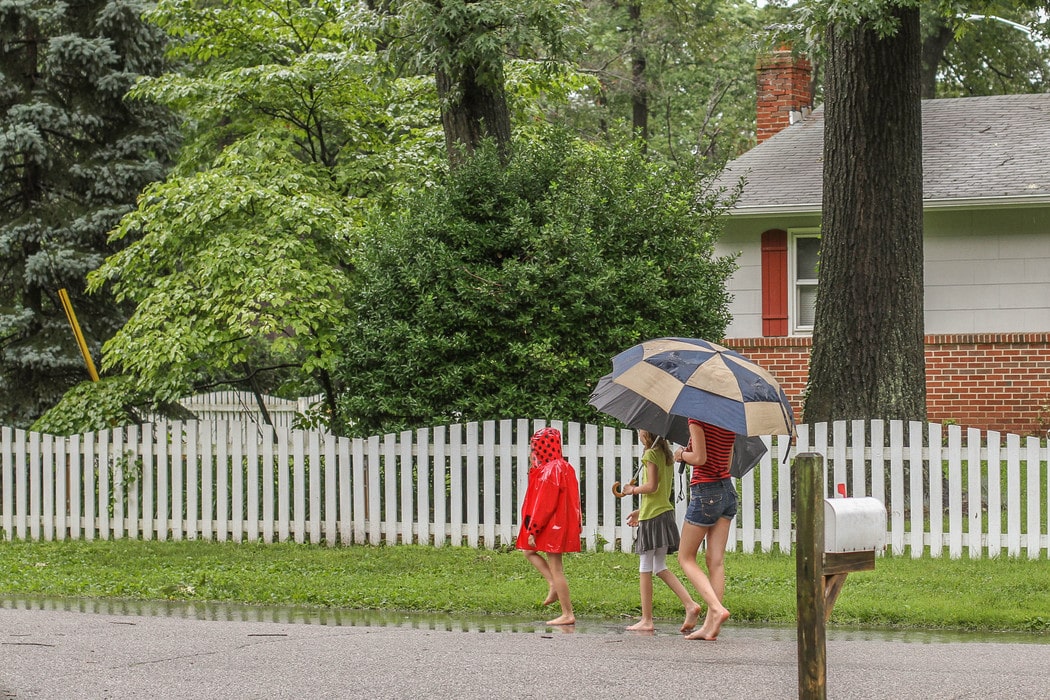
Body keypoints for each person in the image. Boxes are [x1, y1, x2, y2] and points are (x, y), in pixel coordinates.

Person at [621, 429, 702, 633]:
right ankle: (690, 605)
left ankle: (647, 619)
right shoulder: (665, 456)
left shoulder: (650, 454)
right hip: (663, 514)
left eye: (640, 430)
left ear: (647, 434)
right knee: (659, 567)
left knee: (645, 566)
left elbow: (652, 487)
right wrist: (640, 511)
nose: (638, 434)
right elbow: (660, 493)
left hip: (654, 518)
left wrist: (633, 490)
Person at [675, 418, 735, 640]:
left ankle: (717, 609)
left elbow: (700, 458)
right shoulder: (730, 420)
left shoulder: (697, 418)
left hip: (706, 491)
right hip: (727, 490)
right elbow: (726, 464)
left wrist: (681, 454)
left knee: (686, 557)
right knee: (715, 560)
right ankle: (710, 626)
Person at [516, 426, 582, 626]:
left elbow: (544, 503)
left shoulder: (549, 471)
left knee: (556, 568)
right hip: (561, 524)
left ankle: (567, 613)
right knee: (529, 552)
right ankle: (553, 583)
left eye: (535, 448)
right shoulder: (564, 467)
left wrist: (534, 528)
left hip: (552, 525)